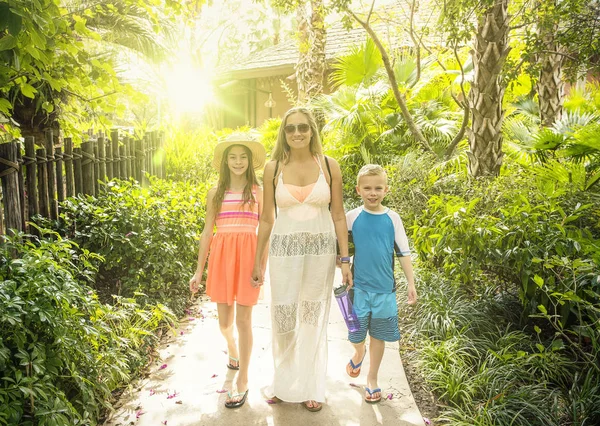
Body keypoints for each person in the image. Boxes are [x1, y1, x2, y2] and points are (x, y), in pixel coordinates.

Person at [250, 107, 352, 412]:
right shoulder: (273, 168)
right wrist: (258, 261)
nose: (297, 133)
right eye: (291, 128)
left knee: (312, 316)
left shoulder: (329, 166)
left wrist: (345, 260)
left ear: (312, 131)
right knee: (283, 317)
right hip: (283, 253)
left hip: (320, 254)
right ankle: (284, 380)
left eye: (303, 128)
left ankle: (311, 385)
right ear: (284, 132)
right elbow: (267, 219)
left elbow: (337, 215)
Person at [189, 132, 266, 409]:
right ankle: (232, 351)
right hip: (221, 258)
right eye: (232, 157)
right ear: (225, 162)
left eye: (242, 157)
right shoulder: (215, 193)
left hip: (248, 257)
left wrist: (260, 264)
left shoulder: (259, 192)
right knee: (224, 323)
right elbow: (207, 232)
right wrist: (199, 271)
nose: (237, 162)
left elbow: (266, 228)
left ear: (250, 161)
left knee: (244, 320)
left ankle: (243, 379)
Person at [344, 164, 417, 403]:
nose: (372, 193)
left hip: (385, 291)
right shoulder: (352, 217)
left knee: (379, 336)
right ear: (358, 190)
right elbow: (341, 251)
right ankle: (358, 352)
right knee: (356, 336)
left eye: (378, 188)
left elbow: (403, 252)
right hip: (358, 290)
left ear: (386, 189)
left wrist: (411, 282)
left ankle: (372, 379)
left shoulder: (392, 218)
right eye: (367, 188)